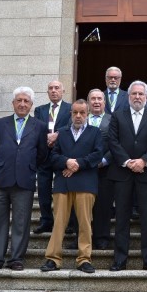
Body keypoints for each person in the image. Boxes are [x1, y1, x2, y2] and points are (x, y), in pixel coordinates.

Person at [0, 86, 48, 273]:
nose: (22, 104)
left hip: (24, 181)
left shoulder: (39, 126)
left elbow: (42, 153)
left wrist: (26, 166)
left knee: (21, 222)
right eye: (19, 100)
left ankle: (16, 259)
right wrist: (4, 164)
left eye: (26, 101)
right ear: (13, 103)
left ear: (31, 105)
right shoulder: (0, 123)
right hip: (1, 180)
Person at [40, 99, 103, 274]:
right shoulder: (62, 132)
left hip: (85, 183)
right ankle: (53, 258)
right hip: (63, 184)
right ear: (70, 114)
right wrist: (67, 162)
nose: (78, 116)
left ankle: (84, 259)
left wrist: (77, 164)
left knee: (84, 223)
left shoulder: (95, 133)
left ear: (87, 114)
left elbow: (97, 154)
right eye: (75, 112)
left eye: (82, 112)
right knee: (59, 223)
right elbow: (53, 156)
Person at [108, 80, 147, 271]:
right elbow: (113, 142)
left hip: (146, 174)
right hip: (122, 173)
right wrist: (128, 162)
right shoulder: (117, 116)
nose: (138, 97)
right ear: (128, 96)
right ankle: (119, 260)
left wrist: (143, 161)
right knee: (122, 218)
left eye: (141, 94)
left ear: (146, 97)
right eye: (134, 94)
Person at [33, 80, 72, 234]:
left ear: (63, 91)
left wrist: (57, 134)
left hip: (62, 155)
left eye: (57, 88)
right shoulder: (39, 110)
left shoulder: (70, 108)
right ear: (47, 92)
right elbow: (36, 128)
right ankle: (46, 220)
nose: (54, 91)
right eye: (51, 88)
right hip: (44, 155)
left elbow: (71, 126)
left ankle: (67, 222)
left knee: (63, 190)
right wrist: (47, 138)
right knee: (43, 189)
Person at [86, 89, 114, 250]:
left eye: (99, 99)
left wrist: (104, 161)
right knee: (82, 206)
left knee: (103, 205)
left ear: (104, 102)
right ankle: (81, 237)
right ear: (88, 102)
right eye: (93, 99)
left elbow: (116, 144)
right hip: (83, 170)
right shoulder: (80, 118)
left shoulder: (113, 120)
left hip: (105, 169)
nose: (96, 102)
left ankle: (102, 238)